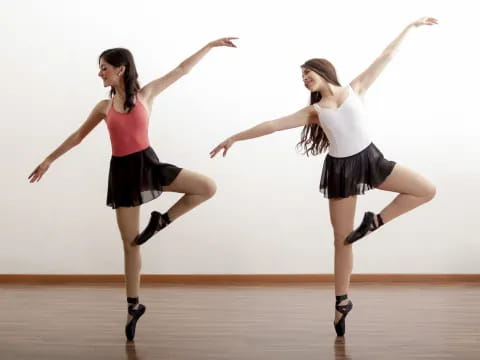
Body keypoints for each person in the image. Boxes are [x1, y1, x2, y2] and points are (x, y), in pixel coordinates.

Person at [210, 18, 437, 336]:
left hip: (371, 160)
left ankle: (375, 222)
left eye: (307, 73)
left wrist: (410, 27)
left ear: (323, 71)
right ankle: (341, 302)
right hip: (341, 171)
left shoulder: (356, 88)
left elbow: (386, 55)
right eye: (301, 77)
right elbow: (272, 124)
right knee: (342, 241)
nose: (304, 79)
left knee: (426, 189)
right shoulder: (315, 112)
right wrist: (234, 137)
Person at [28, 37, 238, 341]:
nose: (100, 73)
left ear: (121, 69)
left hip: (148, 165)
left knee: (206, 186)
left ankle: (161, 221)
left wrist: (209, 46)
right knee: (131, 244)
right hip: (123, 173)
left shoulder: (146, 94)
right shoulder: (103, 107)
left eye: (104, 68)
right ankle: (133, 307)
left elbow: (181, 70)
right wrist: (49, 159)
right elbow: (78, 136)